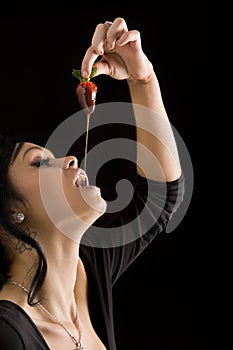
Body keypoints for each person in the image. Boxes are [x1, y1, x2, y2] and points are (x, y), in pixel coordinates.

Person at [0, 17, 185, 350]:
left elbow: (159, 197)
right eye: (39, 162)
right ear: (12, 212)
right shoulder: (8, 333)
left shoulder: (88, 274)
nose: (69, 159)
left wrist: (141, 78)